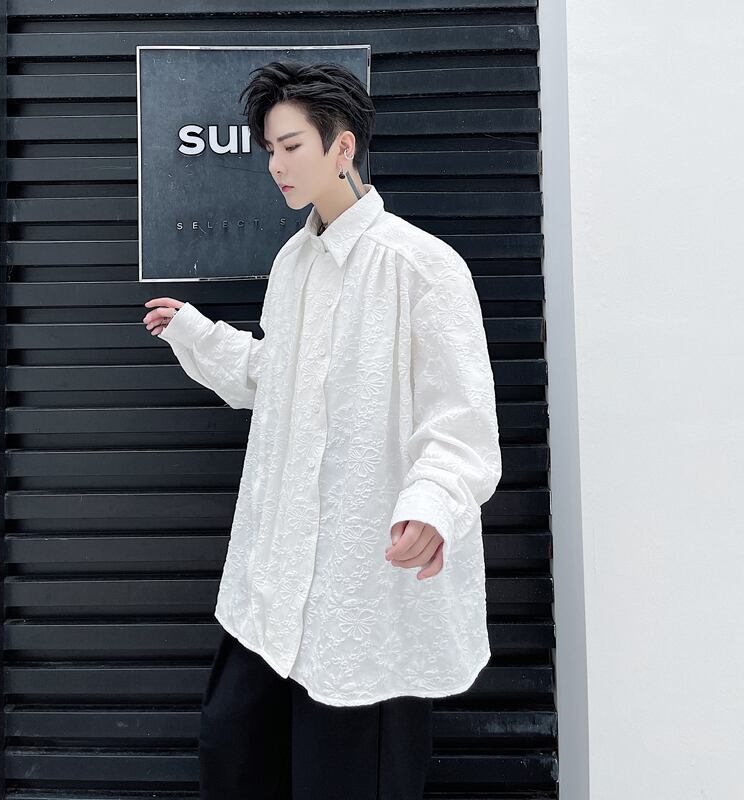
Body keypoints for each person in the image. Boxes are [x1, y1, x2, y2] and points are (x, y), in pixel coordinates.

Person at [142, 60, 502, 800]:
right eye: (269, 150)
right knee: (236, 756)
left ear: (343, 147)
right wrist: (198, 334)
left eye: (291, 146)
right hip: (274, 577)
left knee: (348, 775)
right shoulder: (293, 261)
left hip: (363, 582)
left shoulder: (420, 266)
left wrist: (432, 505)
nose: (276, 165)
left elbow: (461, 420)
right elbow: (277, 378)